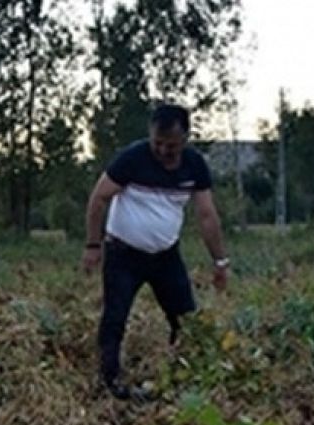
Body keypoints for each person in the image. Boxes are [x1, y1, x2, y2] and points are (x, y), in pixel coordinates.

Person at [83, 104, 230, 400]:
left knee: (186, 321)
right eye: (158, 143)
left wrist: (220, 261)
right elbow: (99, 198)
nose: (163, 150)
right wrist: (93, 245)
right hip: (123, 255)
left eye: (171, 145)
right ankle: (110, 384)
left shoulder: (194, 165)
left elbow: (206, 215)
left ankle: (182, 379)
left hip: (165, 257)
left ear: (185, 138)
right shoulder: (132, 159)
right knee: (115, 318)